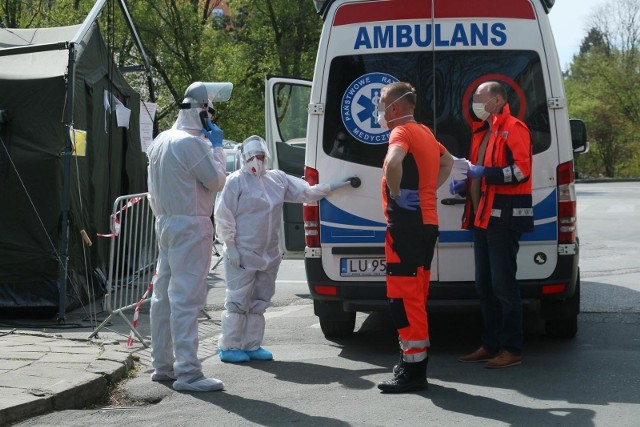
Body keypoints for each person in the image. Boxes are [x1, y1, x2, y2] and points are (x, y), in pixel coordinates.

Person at [214, 135, 350, 363]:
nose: (257, 161)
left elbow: (306, 192)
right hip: (243, 251)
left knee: (259, 301)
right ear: (244, 158)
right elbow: (223, 215)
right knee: (238, 301)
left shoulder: (276, 179)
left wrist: (333, 187)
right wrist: (230, 245)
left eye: (260, 156)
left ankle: (252, 345)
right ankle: (229, 346)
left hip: (268, 253)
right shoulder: (235, 181)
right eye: (251, 157)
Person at [146, 82, 227, 392]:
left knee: (163, 296)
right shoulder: (191, 144)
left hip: (165, 222)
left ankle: (162, 364)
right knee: (186, 298)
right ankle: (189, 372)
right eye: (210, 112)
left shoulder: (160, 140)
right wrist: (217, 147)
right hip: (191, 225)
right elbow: (217, 181)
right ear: (201, 112)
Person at [375, 82, 454, 393]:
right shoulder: (425, 132)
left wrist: (395, 193)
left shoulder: (402, 132)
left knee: (403, 299)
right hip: (425, 224)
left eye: (381, 103)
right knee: (416, 296)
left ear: (395, 107)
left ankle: (413, 371)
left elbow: (394, 162)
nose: (379, 109)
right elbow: (448, 161)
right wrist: (428, 190)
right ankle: (412, 363)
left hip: (406, 226)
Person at [451, 81, 533, 369]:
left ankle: (512, 349)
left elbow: (522, 171)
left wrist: (484, 172)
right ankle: (490, 344)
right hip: (482, 217)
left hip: (504, 218)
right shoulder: (482, 131)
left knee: (503, 286)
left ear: (497, 100)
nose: (474, 101)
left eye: (479, 97)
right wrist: (465, 184)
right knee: (484, 286)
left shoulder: (514, 127)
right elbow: (480, 174)